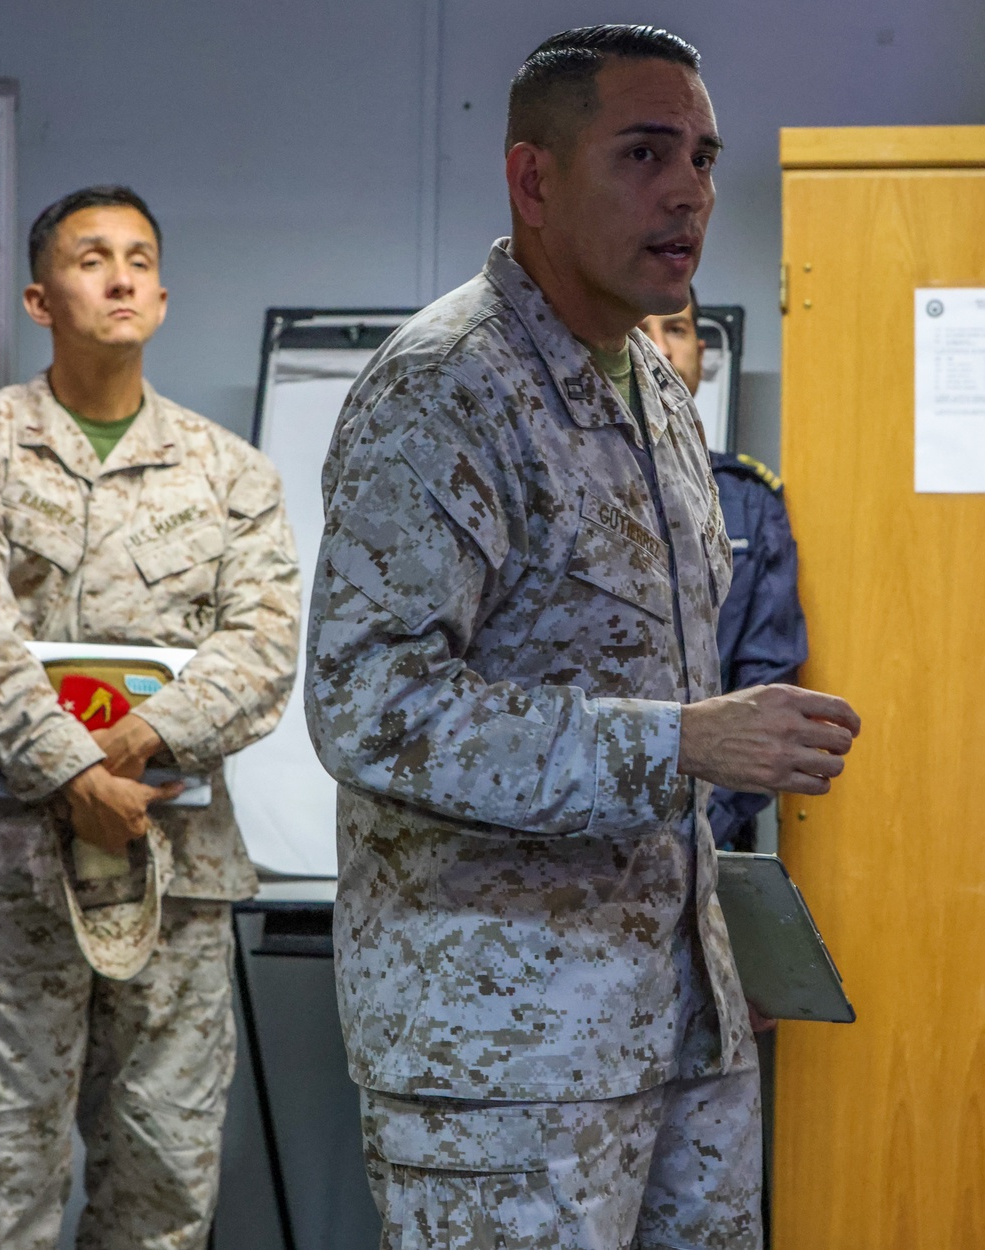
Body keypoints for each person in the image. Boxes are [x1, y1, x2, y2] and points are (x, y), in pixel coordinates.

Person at [306, 25, 859, 1250]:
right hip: (506, 1054)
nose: (690, 191)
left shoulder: (649, 382)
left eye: (704, 158)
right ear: (534, 178)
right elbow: (368, 703)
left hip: (677, 1021)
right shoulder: (443, 386)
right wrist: (678, 745)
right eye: (646, 152)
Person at [0, 185, 300, 1249]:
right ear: (39, 295)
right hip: (9, 880)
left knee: (164, 1186)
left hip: (177, 869)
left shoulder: (231, 475)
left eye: (137, 258)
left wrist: (136, 742)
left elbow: (262, 648)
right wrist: (74, 773)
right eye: (89, 259)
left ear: (162, 294)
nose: (118, 276)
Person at [641, 293, 808, 850]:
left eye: (678, 330)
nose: (661, 348)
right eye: (640, 328)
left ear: (701, 352)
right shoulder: (559, 486)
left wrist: (707, 824)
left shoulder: (746, 499)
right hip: (578, 834)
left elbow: (770, 675)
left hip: (715, 838)